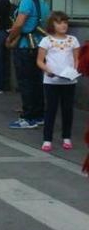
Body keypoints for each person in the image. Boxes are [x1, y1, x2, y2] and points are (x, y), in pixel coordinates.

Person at [7, 0, 51, 129]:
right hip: (40, 45)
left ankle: (28, 117)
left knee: (25, 82)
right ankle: (39, 115)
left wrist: (10, 38)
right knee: (36, 81)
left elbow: (19, 24)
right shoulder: (44, 2)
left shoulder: (27, 1)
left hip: (25, 45)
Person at [36, 11, 80, 152]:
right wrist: (47, 70)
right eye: (59, 22)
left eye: (65, 22)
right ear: (52, 24)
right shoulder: (46, 40)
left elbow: (76, 59)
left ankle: (66, 137)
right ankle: (47, 139)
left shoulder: (73, 40)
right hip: (51, 81)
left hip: (69, 81)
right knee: (51, 110)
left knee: (67, 110)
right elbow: (39, 61)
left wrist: (75, 71)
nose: (63, 25)